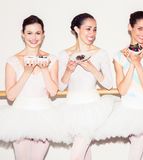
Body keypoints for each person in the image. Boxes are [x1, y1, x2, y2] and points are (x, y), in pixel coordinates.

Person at [94, 11, 143, 160]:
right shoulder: (119, 55)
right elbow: (122, 89)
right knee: (141, 153)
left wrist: (138, 64)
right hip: (127, 109)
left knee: (136, 152)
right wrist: (131, 65)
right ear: (130, 27)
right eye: (139, 28)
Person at [0, 15, 58, 160]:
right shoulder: (12, 61)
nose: (34, 37)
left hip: (45, 114)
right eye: (29, 33)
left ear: (43, 34)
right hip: (20, 114)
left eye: (38, 33)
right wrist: (26, 72)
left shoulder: (52, 59)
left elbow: (53, 91)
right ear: (22, 34)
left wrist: (44, 69)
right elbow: (11, 96)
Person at [56, 13, 113, 160]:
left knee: (76, 155)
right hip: (71, 108)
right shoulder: (64, 54)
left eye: (94, 29)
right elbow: (61, 86)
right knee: (84, 154)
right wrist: (69, 70)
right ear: (76, 29)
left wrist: (91, 68)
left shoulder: (100, 53)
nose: (92, 33)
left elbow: (108, 84)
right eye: (88, 29)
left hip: (92, 108)